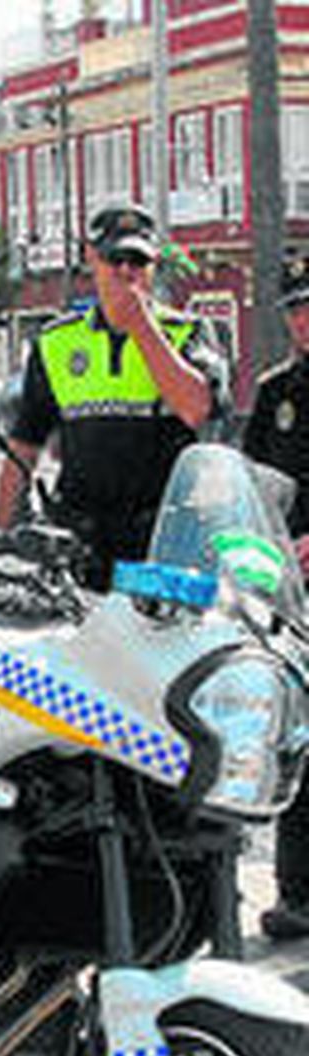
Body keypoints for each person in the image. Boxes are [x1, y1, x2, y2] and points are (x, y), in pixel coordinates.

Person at [0, 203, 229, 588]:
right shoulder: (57, 342)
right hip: (79, 548)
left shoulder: (188, 333)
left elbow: (197, 408)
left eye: (137, 261)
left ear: (153, 265)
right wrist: (0, 543)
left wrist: (141, 326)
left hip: (160, 547)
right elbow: (22, 450)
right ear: (91, 259)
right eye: (113, 259)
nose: (125, 272)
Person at [244, 254, 309, 940]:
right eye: (294, 308)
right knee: (296, 733)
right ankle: (297, 890)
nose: (303, 319)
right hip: (290, 592)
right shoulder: (273, 393)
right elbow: (251, 483)